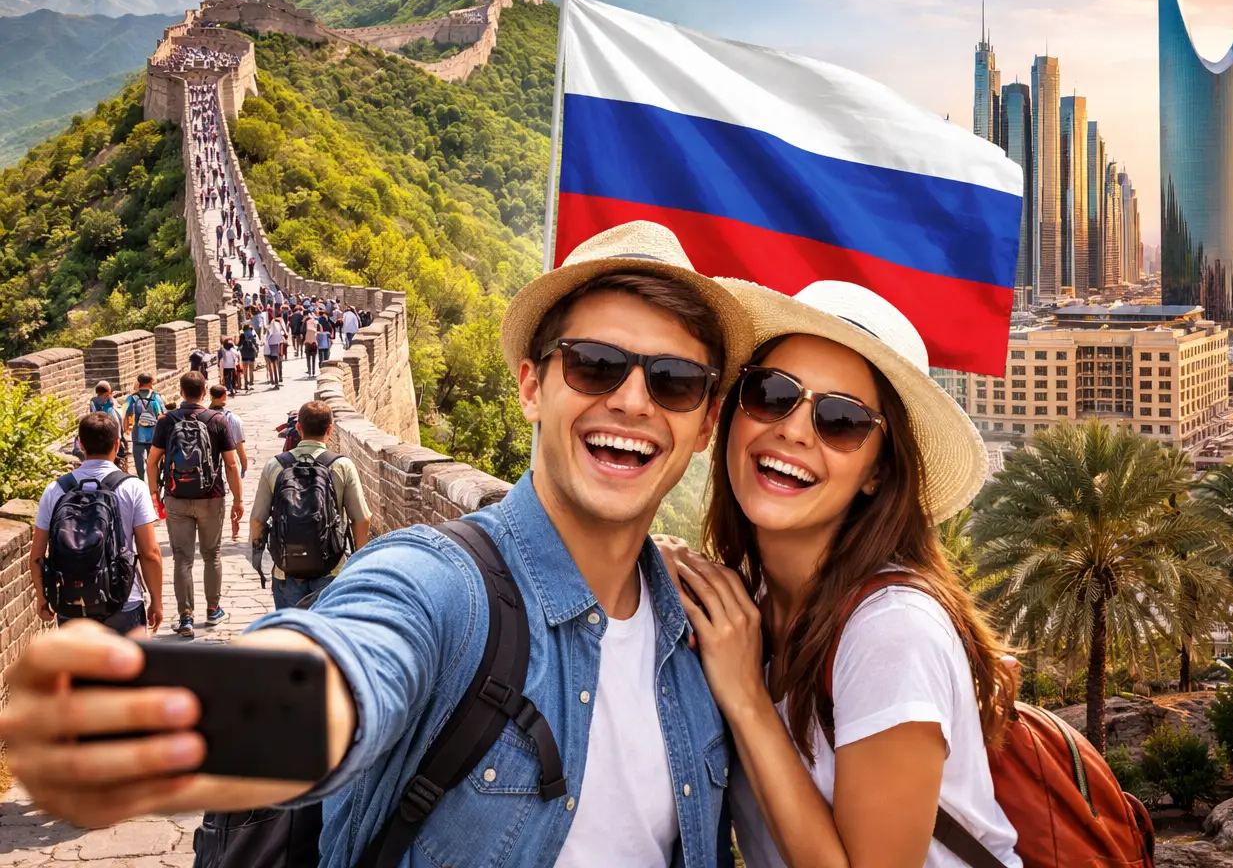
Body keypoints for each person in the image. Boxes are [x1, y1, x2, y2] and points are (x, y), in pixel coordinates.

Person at [0, 222, 751, 866]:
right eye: (595, 364)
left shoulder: (705, 636)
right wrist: (211, 717)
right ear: (530, 386)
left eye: (675, 381)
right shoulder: (444, 585)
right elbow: (358, 658)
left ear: (707, 422)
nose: (630, 399)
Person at [670, 280, 1020, 868]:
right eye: (772, 393)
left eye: (840, 420)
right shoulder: (756, 601)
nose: (795, 429)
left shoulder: (891, 630)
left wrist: (748, 700)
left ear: (876, 474)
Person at [31, 412, 165, 635]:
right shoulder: (133, 487)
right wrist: (157, 602)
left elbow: (36, 556)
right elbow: (150, 552)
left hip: (71, 601)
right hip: (123, 599)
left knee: (78, 670)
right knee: (130, 669)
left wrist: (42, 597)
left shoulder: (56, 490)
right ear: (117, 444)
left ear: (80, 444)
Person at [145, 371, 243, 639]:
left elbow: (152, 461)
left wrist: (155, 492)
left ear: (181, 391)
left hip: (176, 497)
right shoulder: (216, 420)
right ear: (203, 393)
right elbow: (232, 464)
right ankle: (213, 610)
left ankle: (186, 617)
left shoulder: (167, 420)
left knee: (182, 559)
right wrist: (238, 499)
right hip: (211, 497)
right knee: (212, 555)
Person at [249, 401, 371, 609]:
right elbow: (361, 519)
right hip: (330, 568)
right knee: (326, 636)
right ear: (330, 429)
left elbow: (257, 521)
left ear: (298, 428)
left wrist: (260, 552)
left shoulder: (275, 465)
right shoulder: (341, 465)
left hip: (286, 571)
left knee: (289, 637)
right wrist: (358, 564)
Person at [124, 372, 166, 480]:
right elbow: (162, 415)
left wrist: (126, 429)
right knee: (154, 460)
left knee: (138, 460)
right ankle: (155, 481)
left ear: (139, 383)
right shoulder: (156, 397)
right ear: (151, 383)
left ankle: (141, 479)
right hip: (154, 435)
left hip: (138, 434)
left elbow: (125, 414)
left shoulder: (132, 398)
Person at [208, 385, 248, 480]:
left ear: (211, 396)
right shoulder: (233, 419)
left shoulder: (203, 418)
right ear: (224, 396)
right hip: (230, 469)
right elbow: (240, 448)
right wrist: (244, 466)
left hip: (209, 468)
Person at [264, 315, 285, 388]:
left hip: (271, 349)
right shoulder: (278, 326)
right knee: (277, 366)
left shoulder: (270, 328)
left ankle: (275, 382)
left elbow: (266, 339)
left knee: (273, 366)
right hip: (277, 347)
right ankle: (276, 381)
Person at [238, 325, 259, 394]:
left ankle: (246, 383)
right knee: (251, 370)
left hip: (244, 354)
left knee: (245, 370)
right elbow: (255, 344)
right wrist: (256, 352)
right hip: (251, 354)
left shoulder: (241, 336)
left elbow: (239, 345)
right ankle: (251, 382)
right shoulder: (252, 335)